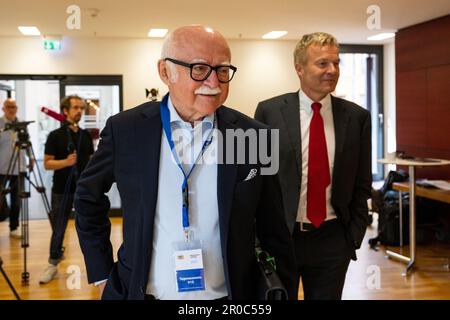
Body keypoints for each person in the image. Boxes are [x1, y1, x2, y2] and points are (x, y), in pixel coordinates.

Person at [74, 25, 297, 300]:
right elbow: (87, 197)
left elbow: (274, 227)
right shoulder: (127, 130)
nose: (214, 83)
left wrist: (283, 287)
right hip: (144, 294)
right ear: (165, 71)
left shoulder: (253, 135)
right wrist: (101, 273)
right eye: (200, 69)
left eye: (223, 70)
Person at [255, 32, 372, 300]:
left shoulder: (357, 118)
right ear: (299, 68)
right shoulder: (269, 112)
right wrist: (258, 238)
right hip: (281, 238)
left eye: (336, 63)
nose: (332, 70)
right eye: (322, 63)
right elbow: (257, 179)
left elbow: (362, 183)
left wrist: (352, 236)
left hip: (332, 240)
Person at [39, 95, 94, 284]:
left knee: (90, 227)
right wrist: (66, 162)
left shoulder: (86, 135)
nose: (79, 111)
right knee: (59, 229)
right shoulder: (55, 136)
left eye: (81, 108)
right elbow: (47, 164)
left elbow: (91, 159)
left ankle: (96, 267)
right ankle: (52, 264)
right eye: (75, 107)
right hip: (61, 190)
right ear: (65, 111)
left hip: (84, 190)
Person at [0, 98, 30, 238]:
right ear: (3, 109)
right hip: (1, 168)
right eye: (8, 106)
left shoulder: (22, 124)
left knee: (16, 200)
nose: (11, 109)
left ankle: (14, 227)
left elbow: (26, 141)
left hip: (18, 168)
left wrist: (31, 158)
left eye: (14, 106)